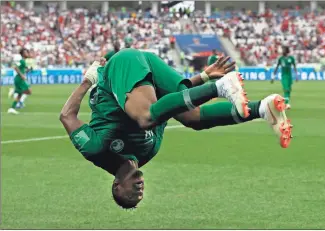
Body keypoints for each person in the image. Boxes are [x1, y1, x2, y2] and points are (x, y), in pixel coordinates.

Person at [60, 49, 293, 209]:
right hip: (147, 67)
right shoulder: (149, 150)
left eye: (130, 195)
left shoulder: (97, 150)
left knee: (144, 117)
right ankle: (263, 108)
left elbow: (66, 116)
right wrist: (202, 77)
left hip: (119, 68)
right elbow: (169, 104)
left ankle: (221, 87)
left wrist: (88, 80)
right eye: (139, 197)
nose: (138, 192)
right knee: (194, 118)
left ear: (117, 185)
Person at [8, 48, 32, 114]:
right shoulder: (22, 61)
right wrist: (21, 75)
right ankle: (14, 91)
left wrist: (28, 70)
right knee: (29, 91)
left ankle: (11, 108)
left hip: (19, 79)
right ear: (23, 54)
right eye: (26, 52)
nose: (27, 53)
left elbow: (22, 70)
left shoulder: (24, 61)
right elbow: (15, 67)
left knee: (19, 95)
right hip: (19, 79)